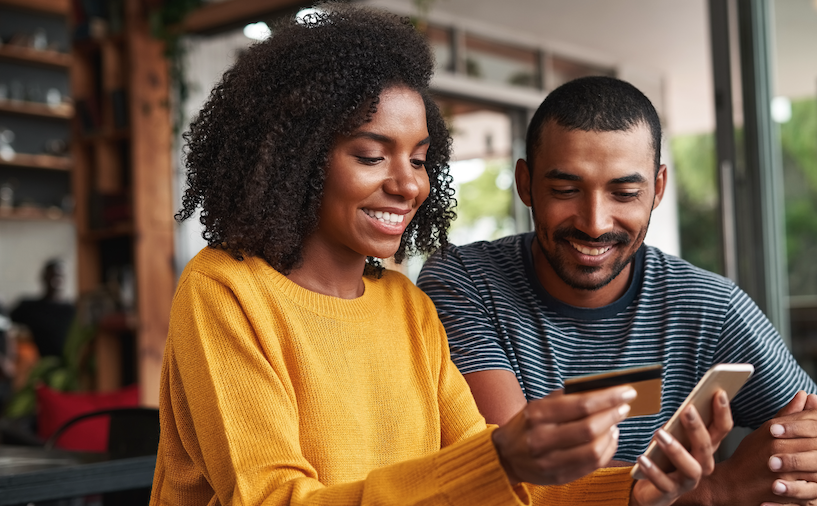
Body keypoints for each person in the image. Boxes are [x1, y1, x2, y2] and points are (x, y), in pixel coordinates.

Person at [150, 6, 733, 506]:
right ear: (297, 160)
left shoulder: (406, 305)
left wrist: (632, 489)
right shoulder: (226, 290)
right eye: (372, 156)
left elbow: (487, 480)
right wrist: (501, 458)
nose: (408, 185)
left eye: (421, 159)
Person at [417, 75, 817, 506]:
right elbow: (524, 475)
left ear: (658, 189)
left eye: (625, 193)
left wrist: (797, 464)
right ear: (526, 184)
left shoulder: (708, 306)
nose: (594, 222)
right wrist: (714, 491)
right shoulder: (464, 283)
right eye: (566, 189)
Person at [10, 259, 76, 359]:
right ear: (44, 277)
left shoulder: (72, 310)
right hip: (39, 365)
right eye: (52, 275)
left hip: (68, 365)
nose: (56, 279)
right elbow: (6, 323)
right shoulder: (29, 308)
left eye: (60, 276)